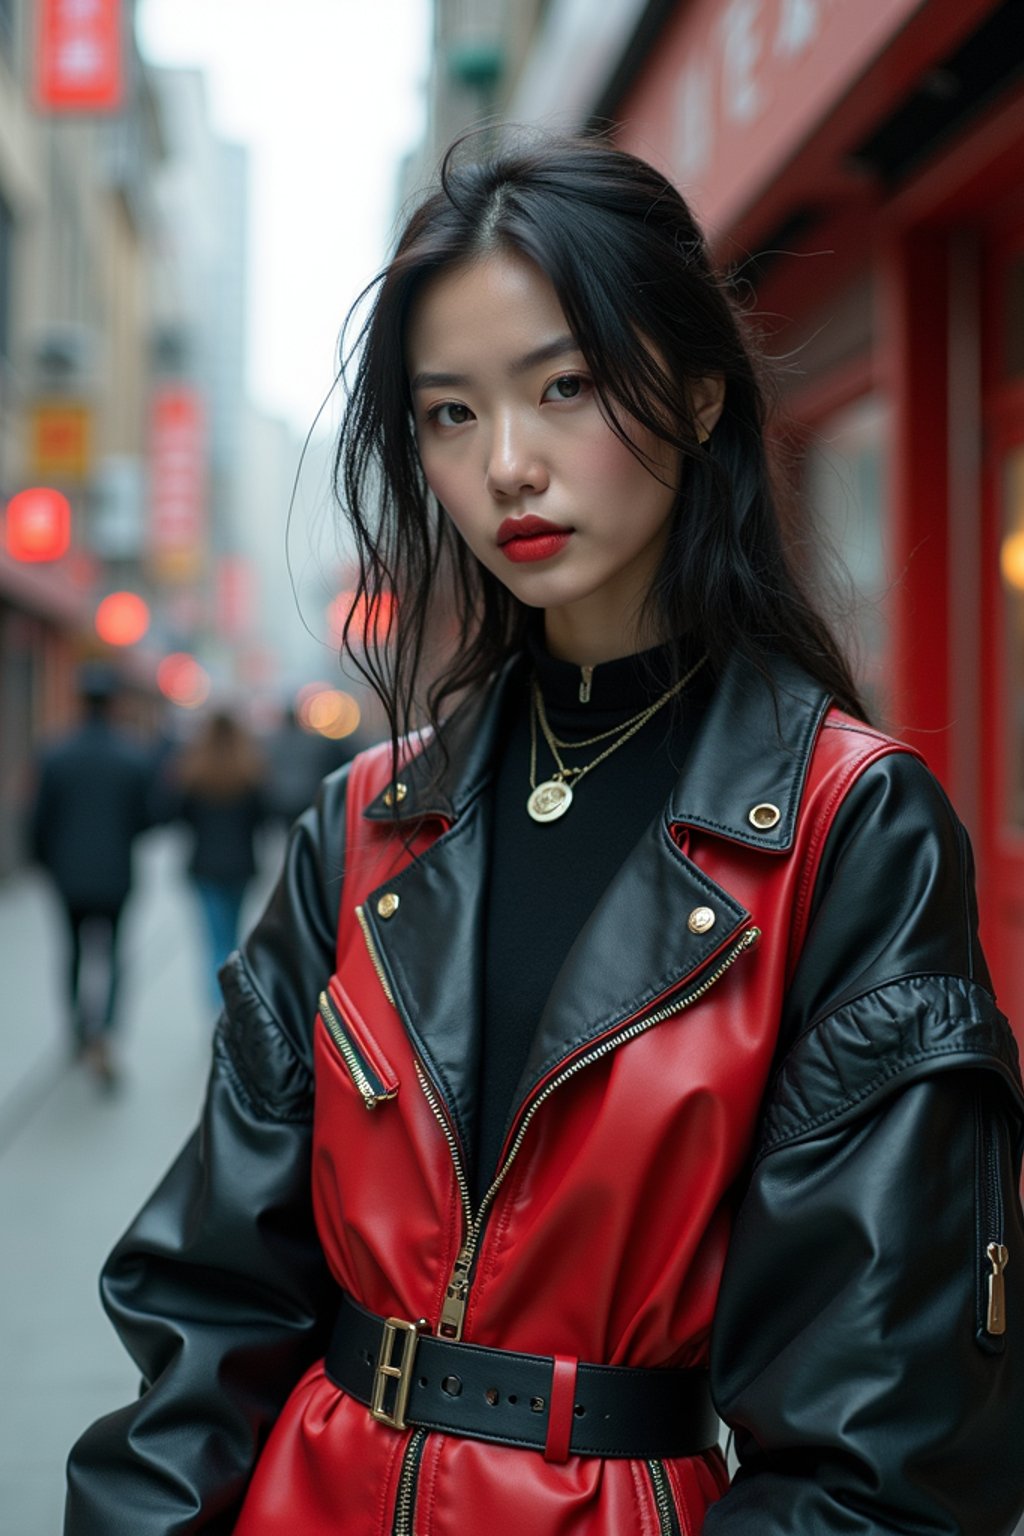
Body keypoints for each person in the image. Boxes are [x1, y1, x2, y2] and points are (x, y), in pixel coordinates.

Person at [65, 135, 1024, 1535]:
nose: (506, 464)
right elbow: (210, 1313)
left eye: (563, 387)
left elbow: (883, 1443)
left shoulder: (846, 822)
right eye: (448, 415)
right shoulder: (366, 820)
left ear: (698, 394)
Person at [30, 663, 153, 1087]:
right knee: (115, 953)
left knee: (73, 953)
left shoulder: (55, 754)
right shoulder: (132, 756)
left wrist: (45, 862)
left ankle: (78, 1031)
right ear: (115, 703)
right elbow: (148, 818)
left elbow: (38, 820)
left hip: (67, 874)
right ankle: (107, 1031)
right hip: (116, 873)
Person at [163, 709, 268, 1003]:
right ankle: (230, 1001)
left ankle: (218, 1004)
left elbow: (178, 816)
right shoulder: (250, 772)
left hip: (204, 865)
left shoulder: (194, 772)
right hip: (241, 865)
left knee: (213, 939)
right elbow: (263, 817)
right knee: (232, 936)